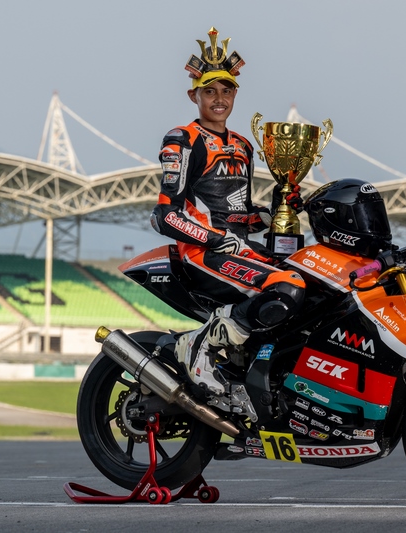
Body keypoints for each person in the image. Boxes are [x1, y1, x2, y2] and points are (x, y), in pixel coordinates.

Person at [150, 27, 305, 398]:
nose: (219, 99)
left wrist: (276, 211)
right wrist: (214, 239)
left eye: (227, 90)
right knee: (286, 287)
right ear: (194, 95)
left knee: (311, 281)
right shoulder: (183, 140)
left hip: (240, 249)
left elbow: (240, 214)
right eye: (209, 91)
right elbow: (164, 216)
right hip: (202, 254)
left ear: (235, 94)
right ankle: (198, 346)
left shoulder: (244, 145)